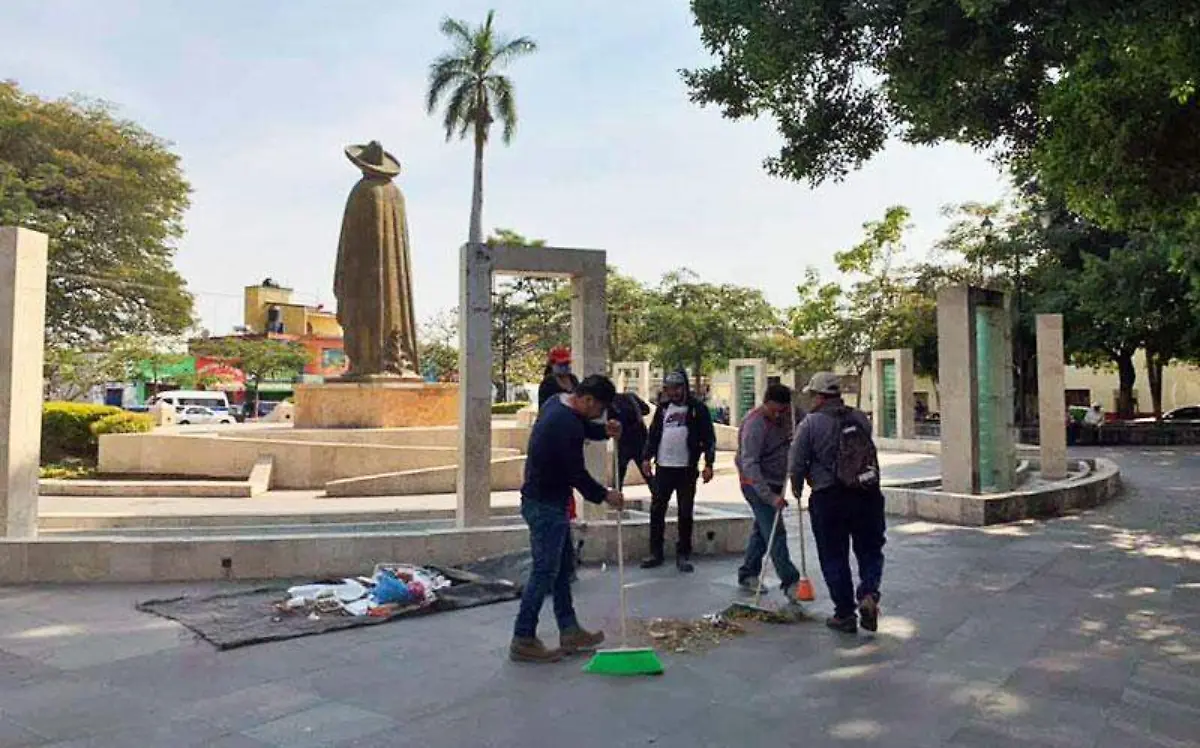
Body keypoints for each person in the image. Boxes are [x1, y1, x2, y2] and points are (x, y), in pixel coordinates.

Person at [511, 375, 624, 663]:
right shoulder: (566, 424)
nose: (600, 414)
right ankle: (523, 637)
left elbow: (584, 426)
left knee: (562, 569)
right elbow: (577, 474)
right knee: (544, 572)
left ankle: (570, 630)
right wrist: (605, 495)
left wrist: (602, 432)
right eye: (600, 409)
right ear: (587, 400)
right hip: (545, 505)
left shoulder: (556, 403)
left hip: (547, 500)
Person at [789, 372, 886, 634]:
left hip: (829, 498)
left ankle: (844, 614)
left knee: (834, 556)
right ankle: (868, 593)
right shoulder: (859, 418)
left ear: (818, 396)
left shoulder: (810, 424)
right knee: (870, 550)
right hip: (867, 494)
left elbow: (796, 463)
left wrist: (796, 487)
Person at [640, 370, 716, 573]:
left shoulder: (697, 409)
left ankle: (683, 553)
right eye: (669, 388)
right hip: (664, 466)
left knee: (685, 511)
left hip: (686, 468)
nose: (672, 392)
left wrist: (709, 463)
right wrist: (647, 457)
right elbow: (654, 434)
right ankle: (656, 552)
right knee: (657, 509)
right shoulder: (663, 409)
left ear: (684, 388)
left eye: (676, 388)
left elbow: (709, 438)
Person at [735, 384, 803, 599]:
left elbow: (804, 422)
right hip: (755, 485)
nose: (778, 415)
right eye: (775, 410)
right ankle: (791, 582)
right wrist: (770, 497)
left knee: (762, 532)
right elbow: (749, 463)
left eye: (783, 411)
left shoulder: (788, 416)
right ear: (766, 403)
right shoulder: (754, 424)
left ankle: (748, 573)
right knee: (776, 533)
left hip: (776, 482)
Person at [611, 390, 653, 489]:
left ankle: (616, 496)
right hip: (640, 438)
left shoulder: (611, 403)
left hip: (623, 441)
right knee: (646, 472)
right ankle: (658, 497)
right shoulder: (631, 396)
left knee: (618, 474)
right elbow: (646, 410)